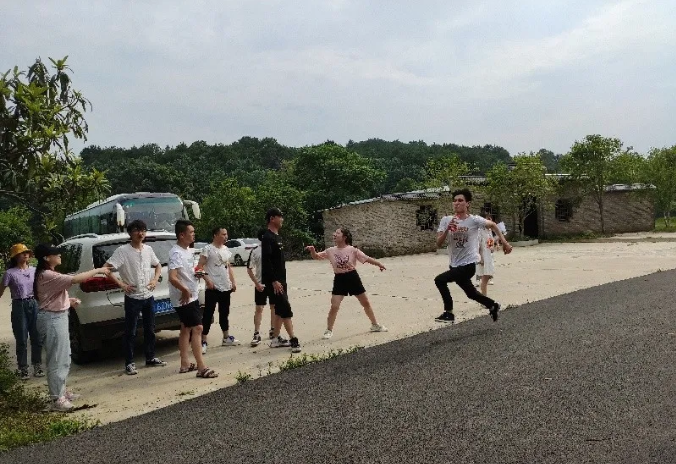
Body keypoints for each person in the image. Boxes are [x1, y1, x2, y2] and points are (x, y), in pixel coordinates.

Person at [33, 243, 110, 411]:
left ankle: (61, 391)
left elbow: (51, 297)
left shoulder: (49, 273)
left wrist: (68, 301)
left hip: (57, 317)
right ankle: (57, 399)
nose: (59, 255)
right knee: (57, 359)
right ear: (46, 257)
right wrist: (98, 270)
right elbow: (75, 279)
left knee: (64, 357)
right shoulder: (46, 274)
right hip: (52, 319)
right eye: (55, 253)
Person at [434, 189, 513, 323]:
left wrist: (505, 243)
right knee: (471, 293)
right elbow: (438, 243)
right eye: (455, 201)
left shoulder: (474, 220)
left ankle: (449, 313)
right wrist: (448, 229)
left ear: (467, 203)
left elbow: (493, 225)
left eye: (460, 200)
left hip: (468, 264)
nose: (457, 203)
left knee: (440, 280)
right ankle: (492, 305)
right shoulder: (446, 220)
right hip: (454, 264)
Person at [105, 219, 167, 375]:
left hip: (148, 296)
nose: (141, 233)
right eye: (137, 231)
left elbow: (158, 265)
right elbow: (106, 268)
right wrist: (121, 284)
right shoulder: (123, 251)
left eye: (143, 230)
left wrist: (155, 280)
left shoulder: (148, 249)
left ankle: (150, 357)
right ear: (130, 233)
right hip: (133, 298)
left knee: (150, 329)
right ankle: (129, 362)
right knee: (130, 332)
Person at [305, 228, 388, 339]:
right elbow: (316, 257)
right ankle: (328, 330)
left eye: (338, 233)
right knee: (334, 306)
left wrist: (379, 264)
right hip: (339, 279)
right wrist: (312, 251)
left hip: (353, 277)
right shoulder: (330, 250)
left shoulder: (352, 250)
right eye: (335, 233)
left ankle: (375, 325)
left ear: (344, 237)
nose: (334, 234)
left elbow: (366, 258)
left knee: (365, 303)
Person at [168, 220, 217, 379]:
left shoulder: (188, 250)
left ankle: (185, 364)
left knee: (186, 328)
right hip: (184, 298)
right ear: (182, 235)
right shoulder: (176, 253)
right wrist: (184, 289)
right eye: (191, 232)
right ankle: (201, 368)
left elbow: (194, 270)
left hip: (192, 295)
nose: (194, 234)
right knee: (198, 328)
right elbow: (172, 277)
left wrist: (206, 278)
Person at [0, 244, 43, 380]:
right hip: (19, 305)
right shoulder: (10, 273)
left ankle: (37, 365)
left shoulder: (34, 270)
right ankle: (23, 368)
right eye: (22, 253)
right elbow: (1, 291)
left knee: (36, 336)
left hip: (34, 303)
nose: (25, 255)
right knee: (22, 338)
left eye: (27, 252)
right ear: (15, 256)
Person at [261, 208, 301, 353]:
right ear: (272, 219)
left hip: (281, 280)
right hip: (275, 282)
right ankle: (293, 339)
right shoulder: (267, 237)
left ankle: (275, 339)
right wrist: (273, 281)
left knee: (279, 310)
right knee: (285, 308)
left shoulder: (277, 237)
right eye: (280, 216)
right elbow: (266, 261)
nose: (282, 219)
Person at [197, 227, 238, 354]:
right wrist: (208, 280)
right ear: (215, 235)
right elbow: (199, 267)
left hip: (225, 286)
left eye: (226, 234)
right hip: (213, 287)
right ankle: (203, 340)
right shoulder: (208, 249)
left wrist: (233, 281)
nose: (226, 236)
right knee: (208, 314)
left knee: (224, 313)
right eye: (223, 234)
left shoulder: (225, 249)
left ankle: (226, 337)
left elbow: (228, 267)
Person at [246, 228, 276, 347]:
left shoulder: (275, 249)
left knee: (274, 307)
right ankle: (256, 333)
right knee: (259, 308)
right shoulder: (255, 251)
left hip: (273, 284)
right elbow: (249, 269)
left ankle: (273, 330)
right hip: (260, 285)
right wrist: (256, 283)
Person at [476, 217, 496, 297]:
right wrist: (481, 258)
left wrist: (492, 247)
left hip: (488, 255)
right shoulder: (480, 231)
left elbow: (490, 241)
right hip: (483, 255)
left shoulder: (489, 230)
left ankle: (484, 296)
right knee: (483, 277)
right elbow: (478, 246)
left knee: (487, 276)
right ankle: (484, 297)